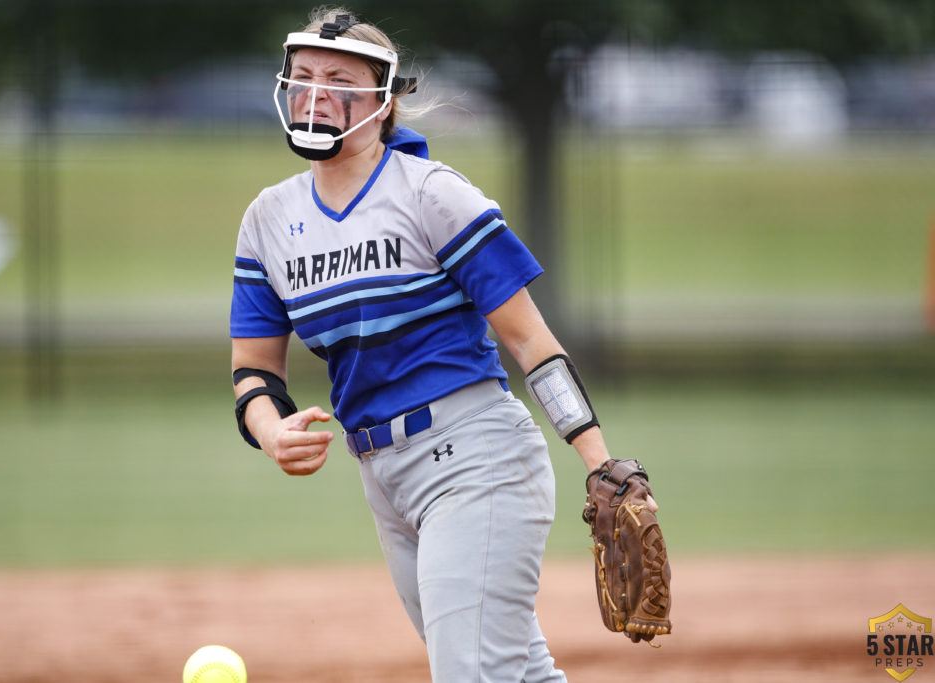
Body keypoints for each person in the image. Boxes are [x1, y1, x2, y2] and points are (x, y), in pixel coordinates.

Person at [230, 8, 651, 681]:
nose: (315, 91)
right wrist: (271, 429)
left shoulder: (431, 194)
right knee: (512, 671)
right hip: (384, 478)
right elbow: (253, 372)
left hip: (477, 458)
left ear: (384, 101)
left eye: (339, 78)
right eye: (303, 75)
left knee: (468, 673)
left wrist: (601, 463)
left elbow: (532, 342)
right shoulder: (268, 221)